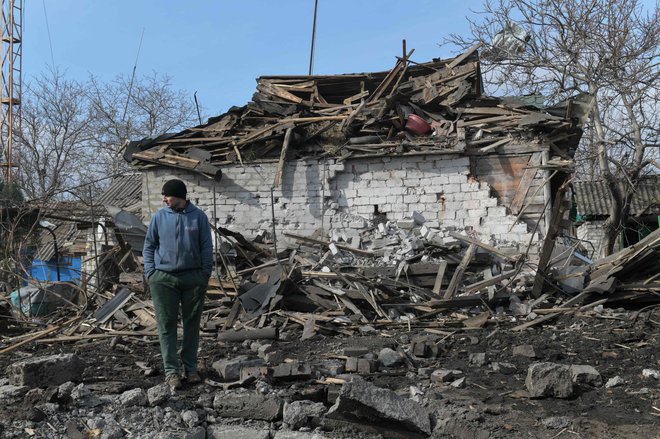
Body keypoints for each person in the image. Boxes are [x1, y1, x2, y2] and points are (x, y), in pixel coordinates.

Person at [143, 178, 213, 389]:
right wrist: (151, 273)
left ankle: (191, 369)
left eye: (167, 195)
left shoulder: (199, 217)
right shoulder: (159, 217)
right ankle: (172, 371)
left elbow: (206, 247)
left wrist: (204, 274)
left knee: (192, 325)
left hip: (193, 278)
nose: (164, 199)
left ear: (179, 196)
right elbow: (149, 246)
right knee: (166, 325)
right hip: (163, 279)